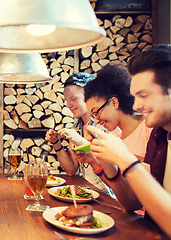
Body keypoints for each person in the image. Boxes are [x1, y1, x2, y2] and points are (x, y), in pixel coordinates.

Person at [87, 45, 171, 238]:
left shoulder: (152, 132)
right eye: (134, 97)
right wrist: (106, 159)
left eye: (144, 95)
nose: (136, 106)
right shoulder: (160, 137)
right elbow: (134, 204)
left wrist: (125, 160)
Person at [45, 72, 112, 194]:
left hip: (107, 197)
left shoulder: (106, 125)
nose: (68, 105)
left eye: (73, 99)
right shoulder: (76, 128)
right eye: (66, 100)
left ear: (90, 97)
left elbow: (111, 167)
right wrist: (56, 143)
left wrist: (80, 141)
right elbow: (71, 170)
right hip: (86, 194)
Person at [84, 64, 152, 161]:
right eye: (93, 116)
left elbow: (159, 170)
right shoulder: (115, 139)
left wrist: (118, 154)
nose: (96, 121)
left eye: (96, 113)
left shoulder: (148, 128)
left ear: (114, 102)